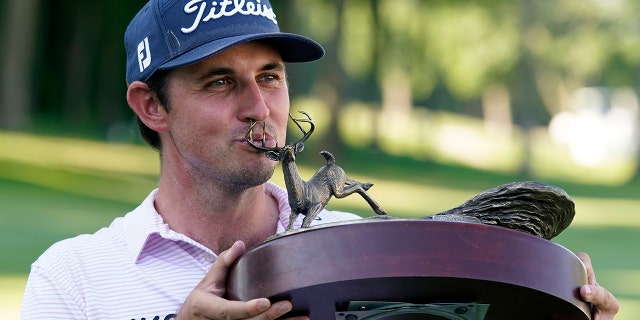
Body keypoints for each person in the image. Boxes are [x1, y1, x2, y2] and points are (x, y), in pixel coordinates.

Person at [21, 0, 619, 319]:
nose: (260, 108)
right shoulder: (73, 280)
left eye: (271, 77)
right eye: (221, 83)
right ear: (152, 106)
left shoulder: (368, 254)